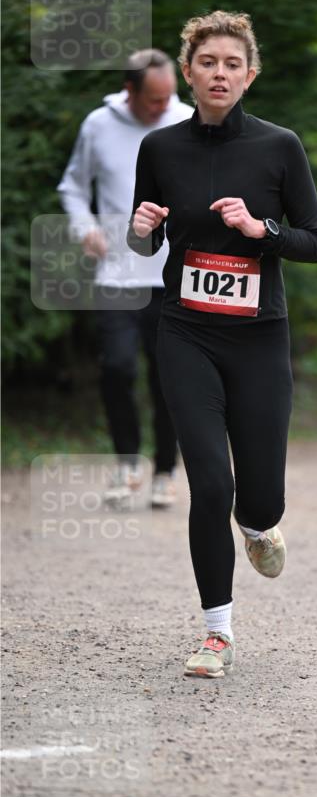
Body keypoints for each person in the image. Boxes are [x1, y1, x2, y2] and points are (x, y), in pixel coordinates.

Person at [127, 11, 317, 677]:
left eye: (231, 64)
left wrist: (259, 229)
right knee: (210, 484)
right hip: (185, 332)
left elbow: (314, 242)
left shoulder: (279, 146)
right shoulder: (160, 149)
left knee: (259, 497)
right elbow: (145, 241)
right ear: (188, 73)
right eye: (207, 62)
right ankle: (217, 632)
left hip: (258, 339)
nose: (219, 73)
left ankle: (259, 523)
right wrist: (139, 229)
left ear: (250, 74)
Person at [58, 50, 193, 508]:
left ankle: (165, 470)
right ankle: (126, 463)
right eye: (154, 99)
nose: (163, 107)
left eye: (169, 96)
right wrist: (85, 228)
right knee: (116, 367)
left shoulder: (188, 121)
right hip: (116, 273)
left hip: (173, 275)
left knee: (168, 377)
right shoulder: (99, 124)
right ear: (129, 90)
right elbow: (73, 186)